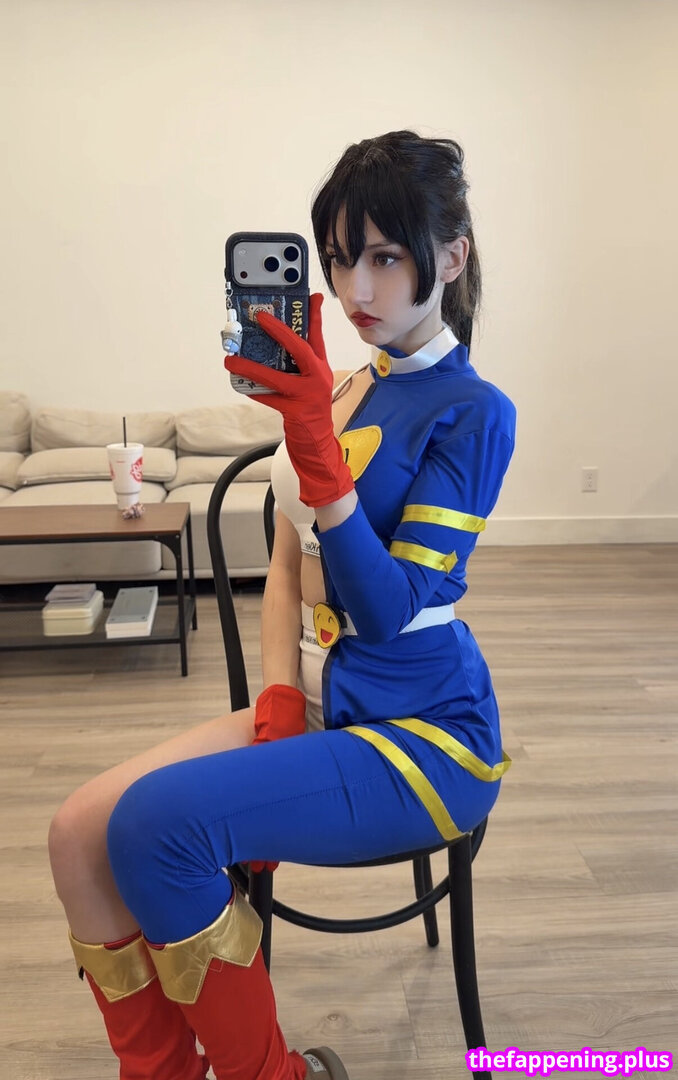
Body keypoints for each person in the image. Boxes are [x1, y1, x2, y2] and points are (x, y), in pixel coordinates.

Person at [48, 129, 516, 1080]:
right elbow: (283, 560)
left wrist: (313, 447)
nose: (355, 289)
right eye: (340, 259)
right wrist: (275, 700)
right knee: (77, 836)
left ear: (450, 257)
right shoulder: (343, 388)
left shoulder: (475, 412)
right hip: (322, 698)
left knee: (155, 827)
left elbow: (388, 611)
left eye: (384, 257)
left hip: (425, 733)